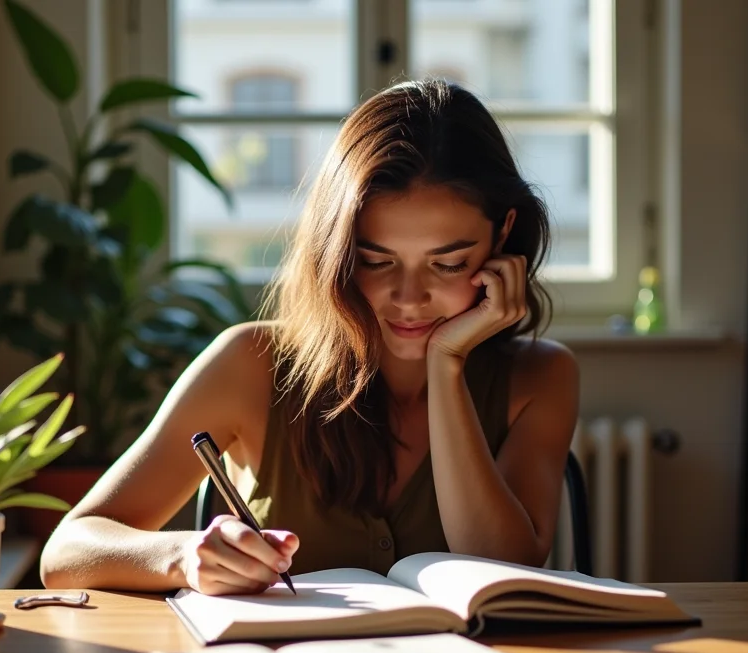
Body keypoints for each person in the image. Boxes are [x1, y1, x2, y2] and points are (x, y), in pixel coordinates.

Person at [40, 78, 580, 596]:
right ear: (337, 251)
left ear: (503, 233)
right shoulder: (250, 363)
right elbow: (67, 550)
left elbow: (502, 570)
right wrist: (183, 557)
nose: (409, 297)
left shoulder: (540, 377)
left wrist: (447, 364)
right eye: (376, 260)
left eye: (448, 263)